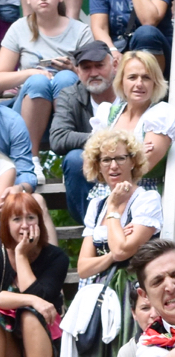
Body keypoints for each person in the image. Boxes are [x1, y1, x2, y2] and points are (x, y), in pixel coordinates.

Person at [59, 126, 158, 357]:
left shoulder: (146, 200)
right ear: (97, 165)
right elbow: (84, 265)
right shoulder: (95, 205)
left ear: (133, 162)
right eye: (105, 160)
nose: (113, 165)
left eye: (120, 158)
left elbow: (127, 252)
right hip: (97, 296)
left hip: (132, 292)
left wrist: (114, 211)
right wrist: (114, 252)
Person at [0, 0, 92, 174]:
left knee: (65, 77)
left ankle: (71, 157)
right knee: (38, 81)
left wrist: (73, 69)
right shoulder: (19, 28)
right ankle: (31, 161)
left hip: (68, 110)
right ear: (27, 0)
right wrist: (29, 73)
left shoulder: (81, 30)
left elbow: (98, 78)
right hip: (29, 109)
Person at [0, 189, 65, 357]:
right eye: (16, 219)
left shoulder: (56, 258)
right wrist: (31, 300)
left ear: (40, 221)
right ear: (6, 224)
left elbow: (42, 295)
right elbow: (34, 297)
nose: (25, 225)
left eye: (31, 217)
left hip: (44, 349)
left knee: (29, 314)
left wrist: (21, 256)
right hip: (9, 352)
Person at [49, 39, 116, 223]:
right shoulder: (69, 95)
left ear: (114, 65)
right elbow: (58, 138)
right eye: (86, 68)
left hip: (129, 168)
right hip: (92, 174)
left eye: (99, 66)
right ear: (77, 71)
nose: (93, 73)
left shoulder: (130, 91)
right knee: (74, 158)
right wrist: (98, 141)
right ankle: (94, 225)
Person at [88, 48, 173, 188]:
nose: (139, 84)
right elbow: (91, 162)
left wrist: (108, 157)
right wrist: (133, 153)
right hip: (105, 191)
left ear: (155, 82)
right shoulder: (106, 112)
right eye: (132, 77)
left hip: (143, 192)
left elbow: (143, 167)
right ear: (122, 81)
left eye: (146, 77)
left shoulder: (161, 114)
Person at [88, 0, 171, 71]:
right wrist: (112, 51)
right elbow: (99, 28)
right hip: (118, 47)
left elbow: (149, 21)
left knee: (145, 33)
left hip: (154, 49)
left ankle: (150, 83)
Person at [0, 101, 38, 196]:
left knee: (37, 199)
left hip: (7, 188)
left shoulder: (12, 121)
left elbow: (24, 171)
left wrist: (20, 188)